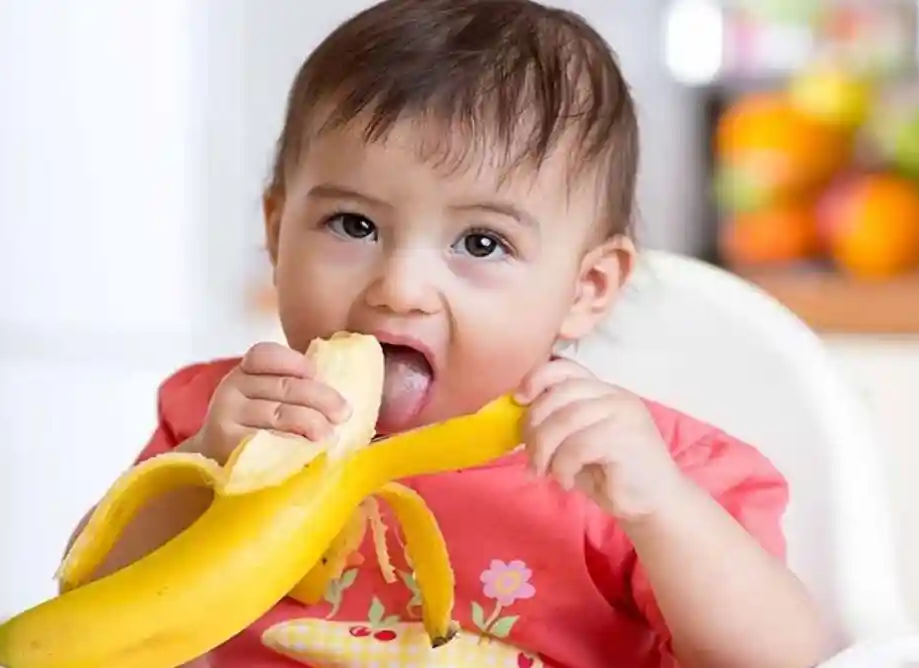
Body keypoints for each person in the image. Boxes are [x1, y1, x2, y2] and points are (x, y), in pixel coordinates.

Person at [64, 1, 835, 666]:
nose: (399, 289)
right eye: (353, 224)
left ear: (586, 288)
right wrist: (208, 464)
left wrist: (660, 510)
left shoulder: (633, 469)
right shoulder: (225, 419)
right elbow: (88, 615)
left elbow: (784, 658)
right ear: (276, 231)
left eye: (481, 243)